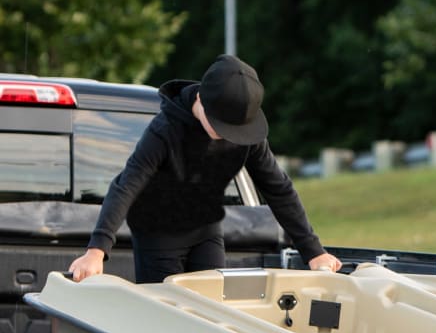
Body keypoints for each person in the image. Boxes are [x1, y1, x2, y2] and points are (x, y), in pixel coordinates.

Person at [69, 54, 340, 283]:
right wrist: (97, 250)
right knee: (170, 317)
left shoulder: (245, 136)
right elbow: (126, 185)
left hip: (206, 229)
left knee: (211, 311)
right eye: (221, 128)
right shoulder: (165, 131)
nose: (228, 137)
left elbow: (278, 189)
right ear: (200, 99)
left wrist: (313, 252)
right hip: (158, 235)